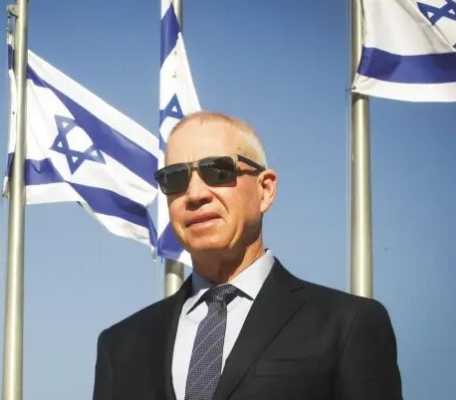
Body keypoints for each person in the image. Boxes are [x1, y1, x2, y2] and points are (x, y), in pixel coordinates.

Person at [92, 111, 402, 400]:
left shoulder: (346, 325)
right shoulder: (120, 347)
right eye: (175, 178)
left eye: (218, 171)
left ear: (265, 190)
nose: (195, 194)